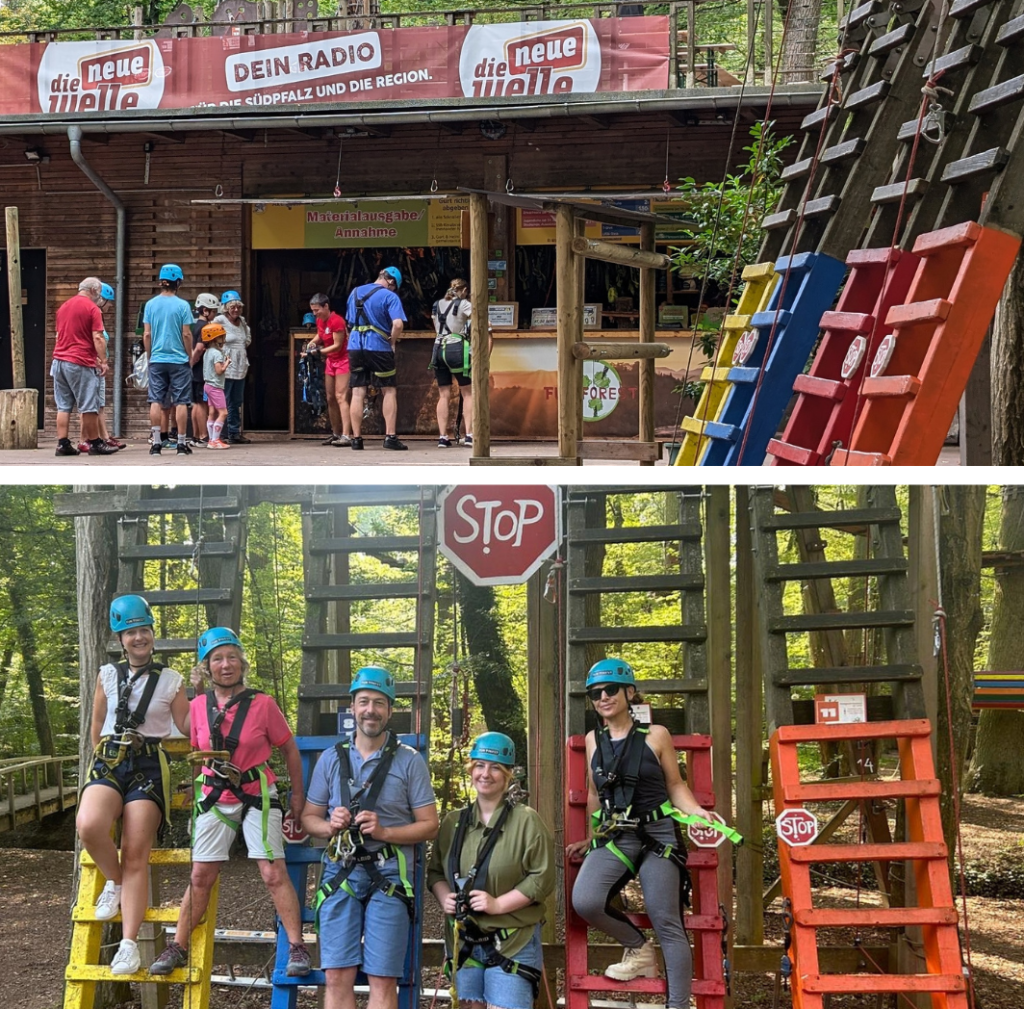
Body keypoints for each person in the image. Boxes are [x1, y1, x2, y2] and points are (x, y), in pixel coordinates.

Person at [148, 627, 311, 978]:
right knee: (201, 873)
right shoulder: (197, 708)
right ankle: (178, 944)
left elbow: (289, 749)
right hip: (214, 795)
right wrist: (195, 788)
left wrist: (297, 795)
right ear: (208, 666)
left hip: (255, 792)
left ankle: (297, 946)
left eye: (232, 657)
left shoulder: (263, 705)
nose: (226, 665)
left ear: (242, 663)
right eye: (218, 659)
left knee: (272, 871)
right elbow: (198, 753)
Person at [567, 659, 710, 1009]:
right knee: (584, 900)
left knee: (667, 920)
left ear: (630, 692)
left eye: (611, 689)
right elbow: (594, 794)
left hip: (658, 835)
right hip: (617, 835)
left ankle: (678, 1005)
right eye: (595, 693)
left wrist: (696, 813)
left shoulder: (656, 735)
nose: (602, 697)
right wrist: (592, 836)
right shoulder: (592, 740)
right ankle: (638, 947)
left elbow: (675, 785)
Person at [301, 666, 439, 1009]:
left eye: (379, 703)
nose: (371, 710)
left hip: (389, 873)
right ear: (352, 707)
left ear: (390, 711)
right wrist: (330, 824)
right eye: (364, 702)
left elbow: (430, 824)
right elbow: (308, 819)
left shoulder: (409, 762)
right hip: (341, 872)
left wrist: (385, 831)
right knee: (336, 975)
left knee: (383, 978)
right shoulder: (332, 759)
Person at [75, 594, 190, 975]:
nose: (138, 638)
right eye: (130, 633)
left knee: (135, 849)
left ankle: (128, 945)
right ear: (120, 639)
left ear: (152, 634)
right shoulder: (108, 675)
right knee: (89, 825)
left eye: (143, 630)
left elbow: (189, 728)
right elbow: (97, 724)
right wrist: (100, 760)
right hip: (110, 758)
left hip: (148, 763)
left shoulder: (171, 681)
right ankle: (115, 881)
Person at [428, 732, 554, 1009]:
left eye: (496, 767)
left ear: (508, 774)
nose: (486, 774)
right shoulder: (452, 823)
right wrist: (444, 896)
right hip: (465, 941)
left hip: (512, 940)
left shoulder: (526, 821)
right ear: (471, 769)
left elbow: (542, 878)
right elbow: (436, 872)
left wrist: (498, 904)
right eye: (480, 765)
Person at [51, 276, 118, 456]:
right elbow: (98, 337)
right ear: (94, 291)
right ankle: (96, 443)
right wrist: (103, 361)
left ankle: (63, 444)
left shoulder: (63, 307)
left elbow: (59, 337)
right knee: (89, 405)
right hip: (79, 362)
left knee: (63, 406)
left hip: (58, 361)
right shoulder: (92, 308)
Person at [345, 266, 407, 451]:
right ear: (391, 282)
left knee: (357, 392)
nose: (393, 289)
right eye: (394, 286)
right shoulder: (390, 296)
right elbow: (397, 323)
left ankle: (356, 439)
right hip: (379, 346)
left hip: (355, 346)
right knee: (388, 390)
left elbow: (348, 323)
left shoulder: (354, 293)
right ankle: (390, 437)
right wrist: (392, 341)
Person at [144, 264, 195, 457]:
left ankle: (156, 443)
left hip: (157, 359)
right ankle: (181, 443)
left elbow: (147, 334)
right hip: (178, 359)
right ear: (178, 283)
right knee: (181, 401)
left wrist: (150, 355)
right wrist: (189, 355)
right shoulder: (183, 306)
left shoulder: (150, 305)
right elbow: (187, 334)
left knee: (156, 400)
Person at [76, 283, 125, 453]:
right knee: (89, 404)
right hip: (92, 364)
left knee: (99, 404)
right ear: (101, 299)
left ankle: (104, 436)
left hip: (97, 366)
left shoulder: (98, 315)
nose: (111, 306)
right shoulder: (91, 313)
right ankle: (84, 439)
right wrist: (100, 360)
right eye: (109, 301)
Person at [431, 279, 475, 449]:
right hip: (456, 349)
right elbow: (479, 319)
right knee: (467, 392)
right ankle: (469, 434)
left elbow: (436, 325)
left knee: (443, 394)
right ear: (464, 290)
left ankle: (443, 437)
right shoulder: (463, 304)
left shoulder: (437, 304)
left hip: (437, 349)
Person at [305, 293, 352, 447]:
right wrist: (312, 344)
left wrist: (319, 352)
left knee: (341, 396)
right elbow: (320, 335)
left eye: (317, 310)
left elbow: (337, 345)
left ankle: (346, 434)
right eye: (313, 310)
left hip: (343, 360)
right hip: (331, 361)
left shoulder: (336, 321)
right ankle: (336, 433)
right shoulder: (320, 321)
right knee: (330, 397)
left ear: (326, 306)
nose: (314, 313)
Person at [215, 291, 252, 444]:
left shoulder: (242, 322)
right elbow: (211, 338)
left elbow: (247, 340)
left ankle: (235, 432)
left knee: (236, 400)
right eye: (232, 307)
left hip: (240, 365)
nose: (236, 310)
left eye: (238, 307)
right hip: (226, 365)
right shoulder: (220, 320)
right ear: (226, 308)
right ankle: (223, 433)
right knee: (226, 399)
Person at [189, 293, 220, 444]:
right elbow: (200, 348)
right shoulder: (205, 328)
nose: (215, 315)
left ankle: (195, 436)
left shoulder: (195, 326)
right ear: (205, 311)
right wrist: (192, 363)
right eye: (213, 311)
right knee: (202, 403)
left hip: (195, 372)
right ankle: (202, 435)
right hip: (201, 371)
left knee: (195, 403)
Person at [200, 323, 231, 449]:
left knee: (212, 412)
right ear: (214, 338)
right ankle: (215, 440)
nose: (223, 339)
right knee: (223, 413)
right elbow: (219, 370)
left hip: (207, 385)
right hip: (215, 386)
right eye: (221, 336)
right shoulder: (217, 354)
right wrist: (227, 363)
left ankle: (211, 440)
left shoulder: (207, 352)